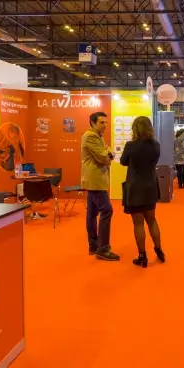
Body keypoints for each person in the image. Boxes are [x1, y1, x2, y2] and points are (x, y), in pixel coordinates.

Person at [120, 116, 165, 268]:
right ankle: (159, 250)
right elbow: (154, 162)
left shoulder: (130, 145)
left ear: (135, 129)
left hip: (135, 188)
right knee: (152, 220)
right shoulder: (156, 145)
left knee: (138, 223)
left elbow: (123, 162)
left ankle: (142, 256)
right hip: (151, 186)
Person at [81, 111, 119, 261]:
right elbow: (105, 157)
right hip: (95, 181)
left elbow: (109, 152)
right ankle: (102, 248)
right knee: (107, 210)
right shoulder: (90, 136)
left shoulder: (98, 137)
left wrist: (108, 154)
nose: (105, 125)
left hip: (95, 180)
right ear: (93, 123)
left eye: (106, 122)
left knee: (92, 214)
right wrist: (108, 155)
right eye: (102, 122)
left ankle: (93, 245)